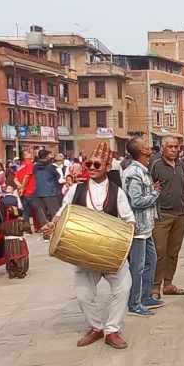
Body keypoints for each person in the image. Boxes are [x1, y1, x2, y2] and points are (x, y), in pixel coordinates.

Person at [59, 145, 134, 350]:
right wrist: (52, 225)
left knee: (123, 288)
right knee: (83, 294)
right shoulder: (76, 189)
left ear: (107, 166)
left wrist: (124, 238)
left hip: (111, 251)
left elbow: (129, 219)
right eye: (88, 164)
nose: (91, 167)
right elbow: (62, 214)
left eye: (96, 164)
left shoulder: (117, 191)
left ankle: (112, 330)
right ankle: (95, 327)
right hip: (85, 251)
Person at [121, 138, 164, 316]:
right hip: (137, 228)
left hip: (146, 227)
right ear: (142, 151)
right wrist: (155, 193)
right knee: (137, 267)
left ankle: (146, 296)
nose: (149, 148)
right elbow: (136, 201)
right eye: (146, 146)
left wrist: (151, 190)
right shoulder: (133, 173)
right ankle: (134, 302)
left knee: (151, 261)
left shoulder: (142, 171)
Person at [149, 136, 184, 298]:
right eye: (170, 147)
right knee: (159, 251)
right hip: (162, 214)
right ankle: (154, 286)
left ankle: (168, 283)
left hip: (180, 213)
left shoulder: (181, 165)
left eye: (176, 147)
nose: (174, 150)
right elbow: (149, 185)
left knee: (174, 251)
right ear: (163, 148)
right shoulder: (156, 165)